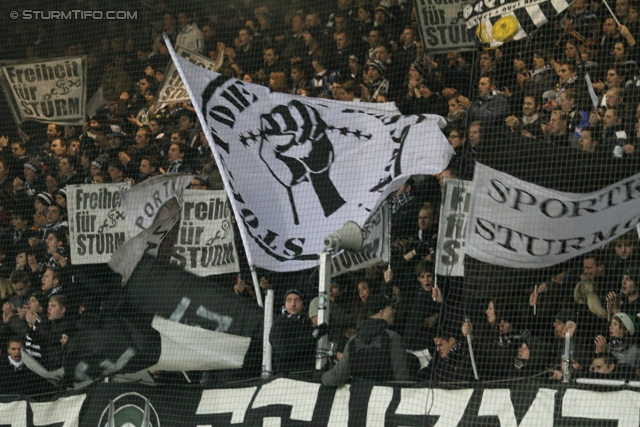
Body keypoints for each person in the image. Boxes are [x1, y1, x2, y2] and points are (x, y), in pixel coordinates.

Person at [321, 293, 410, 385]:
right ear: (381, 313)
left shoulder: (353, 340)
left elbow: (338, 376)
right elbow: (402, 379)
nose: (394, 311)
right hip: (385, 396)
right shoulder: (392, 338)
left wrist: (320, 377)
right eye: (391, 308)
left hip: (359, 397)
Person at [269, 289, 319, 374]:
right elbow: (284, 350)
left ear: (303, 303)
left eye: (297, 300)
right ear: (284, 303)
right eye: (289, 300)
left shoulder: (306, 323)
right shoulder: (279, 323)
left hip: (308, 375)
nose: (292, 304)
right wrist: (313, 336)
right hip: (287, 378)